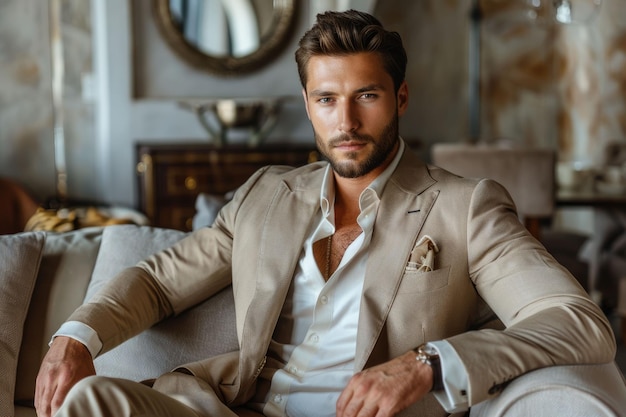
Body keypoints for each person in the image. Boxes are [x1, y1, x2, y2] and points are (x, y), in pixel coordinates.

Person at [35, 9, 615, 417]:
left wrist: (427, 364)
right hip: (237, 409)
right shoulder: (265, 194)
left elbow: (577, 321)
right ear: (309, 107)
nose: (347, 123)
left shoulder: (465, 206)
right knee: (90, 401)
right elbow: (160, 282)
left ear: (400, 98)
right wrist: (76, 339)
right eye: (327, 100)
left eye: (366, 95)